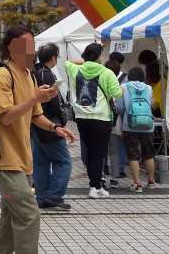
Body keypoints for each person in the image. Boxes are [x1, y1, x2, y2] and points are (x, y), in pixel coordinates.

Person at [0, 25, 75, 254]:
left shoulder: (29, 76)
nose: (29, 50)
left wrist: (56, 128)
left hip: (23, 161)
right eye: (23, 45)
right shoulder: (2, 75)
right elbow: (5, 116)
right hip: (5, 160)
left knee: (10, 216)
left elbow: (36, 115)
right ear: (10, 47)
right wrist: (35, 97)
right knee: (29, 215)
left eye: (31, 45)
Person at [65, 43, 123, 199]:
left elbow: (67, 63)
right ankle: (95, 187)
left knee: (90, 153)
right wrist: (122, 89)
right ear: (99, 56)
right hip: (100, 118)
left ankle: (94, 185)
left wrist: (85, 63)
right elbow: (116, 94)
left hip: (82, 118)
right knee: (98, 154)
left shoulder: (76, 70)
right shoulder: (107, 73)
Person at [30, 43, 73, 210]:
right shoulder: (48, 75)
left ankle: (42, 198)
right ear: (54, 58)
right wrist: (61, 123)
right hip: (49, 123)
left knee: (40, 162)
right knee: (64, 161)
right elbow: (56, 103)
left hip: (35, 122)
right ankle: (55, 195)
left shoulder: (33, 72)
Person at [116, 67, 157, 192]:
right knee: (148, 154)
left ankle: (137, 184)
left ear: (129, 76)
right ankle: (151, 181)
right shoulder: (148, 88)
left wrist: (126, 119)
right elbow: (149, 104)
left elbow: (120, 107)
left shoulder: (124, 87)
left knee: (133, 155)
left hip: (130, 126)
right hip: (147, 125)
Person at [104, 52, 127, 185]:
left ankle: (101, 175)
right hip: (115, 121)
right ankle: (114, 177)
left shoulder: (100, 81)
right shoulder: (122, 82)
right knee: (115, 150)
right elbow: (122, 105)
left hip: (101, 119)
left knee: (101, 150)